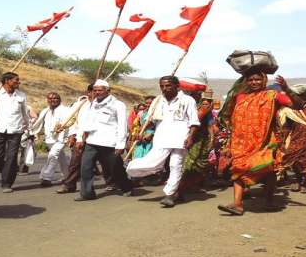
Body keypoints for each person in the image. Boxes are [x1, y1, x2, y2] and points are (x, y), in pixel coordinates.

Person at [217, 71, 300, 216]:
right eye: (251, 80)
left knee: (268, 170)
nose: (254, 82)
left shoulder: (273, 95)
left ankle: (269, 202)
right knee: (238, 168)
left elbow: (297, 105)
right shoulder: (240, 97)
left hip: (265, 141)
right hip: (241, 142)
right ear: (246, 82)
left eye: (257, 79)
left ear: (264, 81)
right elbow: (230, 118)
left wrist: (286, 88)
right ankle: (237, 204)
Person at [126, 76, 201, 207]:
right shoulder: (158, 101)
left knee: (175, 165)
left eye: (168, 86)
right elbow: (151, 121)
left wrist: (190, 137)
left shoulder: (187, 100)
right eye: (162, 86)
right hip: (161, 138)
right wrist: (143, 132)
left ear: (177, 86)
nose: (164, 89)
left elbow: (194, 122)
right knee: (150, 162)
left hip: (180, 138)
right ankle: (172, 187)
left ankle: (169, 195)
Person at [75, 79, 134, 201]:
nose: (97, 92)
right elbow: (84, 122)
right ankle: (87, 193)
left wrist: (120, 144)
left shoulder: (118, 105)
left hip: (110, 143)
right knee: (85, 168)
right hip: (91, 141)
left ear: (108, 91)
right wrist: (79, 138)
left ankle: (126, 186)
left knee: (115, 168)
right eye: (95, 90)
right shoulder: (91, 104)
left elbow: (122, 125)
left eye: (100, 90)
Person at [0, 72, 30, 193]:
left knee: (11, 157)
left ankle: (7, 183)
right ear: (7, 81)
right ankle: (7, 171)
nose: (18, 82)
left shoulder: (21, 95)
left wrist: (28, 128)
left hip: (15, 130)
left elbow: (24, 113)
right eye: (16, 80)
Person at [278, 85, 306, 193]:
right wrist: (282, 141)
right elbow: (287, 127)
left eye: (302, 97)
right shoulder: (291, 112)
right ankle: (298, 180)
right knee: (296, 162)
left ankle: (304, 184)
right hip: (295, 139)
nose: (299, 100)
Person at [177, 89, 216, 197]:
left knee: (201, 163)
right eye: (204, 103)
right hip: (192, 138)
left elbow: (210, 126)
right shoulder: (193, 110)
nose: (205, 105)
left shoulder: (208, 113)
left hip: (203, 139)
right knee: (190, 162)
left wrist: (212, 139)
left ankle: (194, 184)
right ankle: (182, 186)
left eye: (208, 103)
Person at [56, 84, 94, 193]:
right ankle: (69, 185)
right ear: (89, 92)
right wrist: (64, 127)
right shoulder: (80, 105)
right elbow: (72, 120)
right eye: (94, 91)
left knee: (109, 163)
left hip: (100, 139)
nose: (96, 94)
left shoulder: (103, 105)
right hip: (81, 138)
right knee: (75, 162)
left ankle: (116, 182)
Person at [31, 92, 71, 187]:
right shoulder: (45, 111)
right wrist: (32, 132)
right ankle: (67, 176)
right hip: (49, 138)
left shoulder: (66, 110)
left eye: (55, 98)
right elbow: (38, 123)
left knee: (53, 155)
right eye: (50, 98)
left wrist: (63, 127)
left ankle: (46, 177)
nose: (52, 100)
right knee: (61, 158)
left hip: (61, 138)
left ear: (59, 99)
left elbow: (70, 122)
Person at [18, 105, 39, 174]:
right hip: (14, 131)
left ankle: (23, 169)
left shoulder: (28, 107)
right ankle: (15, 168)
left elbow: (35, 117)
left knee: (25, 150)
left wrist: (29, 123)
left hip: (26, 132)